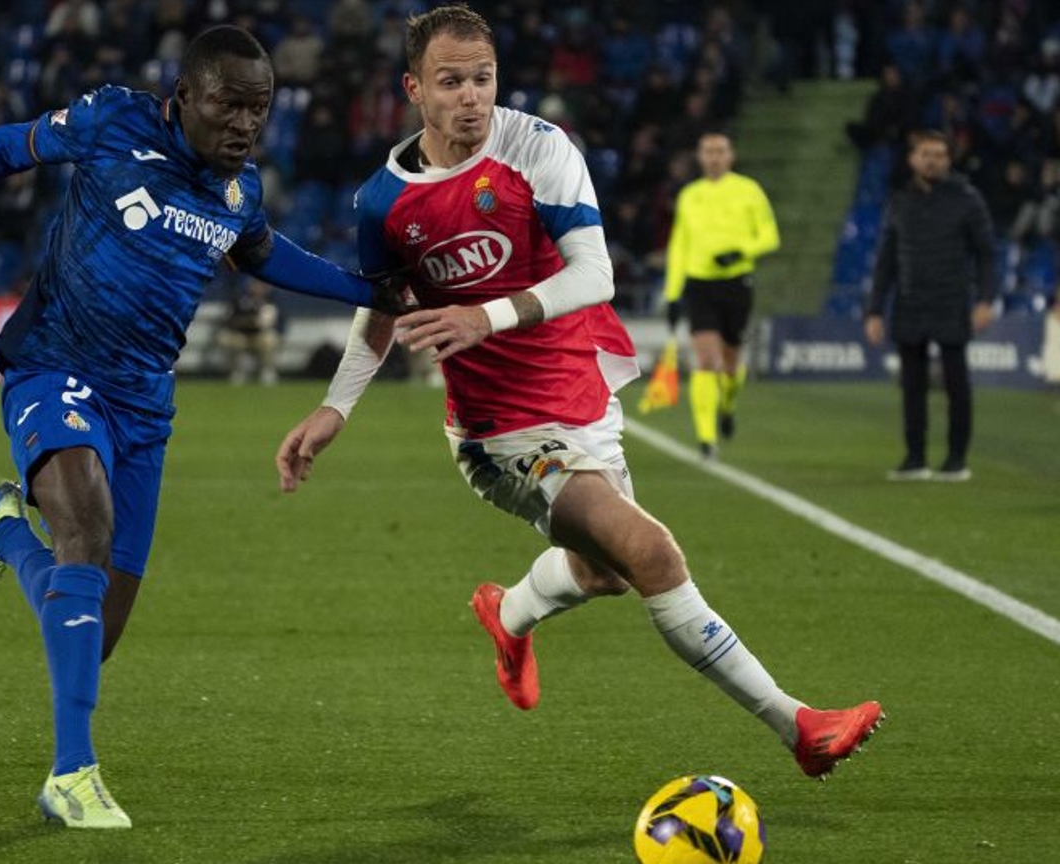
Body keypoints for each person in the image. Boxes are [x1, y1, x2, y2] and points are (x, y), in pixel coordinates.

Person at [0, 26, 407, 829]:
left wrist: (365, 288)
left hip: (143, 406)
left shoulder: (238, 193)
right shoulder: (114, 123)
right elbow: (2, 149)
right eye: (228, 105)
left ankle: (5, 533)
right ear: (184, 99)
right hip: (55, 363)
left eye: (258, 110)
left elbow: (265, 255)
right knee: (85, 530)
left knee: (91, 635)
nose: (243, 124)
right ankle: (71, 774)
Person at [275, 4, 881, 781]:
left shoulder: (538, 147)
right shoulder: (381, 203)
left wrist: (480, 316)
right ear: (413, 90)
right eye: (450, 82)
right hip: (498, 435)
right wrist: (335, 407)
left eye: (482, 78)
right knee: (651, 552)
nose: (471, 97)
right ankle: (797, 725)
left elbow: (594, 274)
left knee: (604, 573)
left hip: (581, 394)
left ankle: (509, 610)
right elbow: (382, 305)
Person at [865, 129, 996, 481]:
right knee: (912, 386)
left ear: (948, 160)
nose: (932, 160)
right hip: (910, 302)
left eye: (939, 154)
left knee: (957, 384)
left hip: (951, 301)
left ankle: (956, 459)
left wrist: (985, 299)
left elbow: (986, 255)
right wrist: (875, 309)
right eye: (925, 154)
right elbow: (886, 260)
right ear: (912, 159)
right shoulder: (900, 202)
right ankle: (915, 457)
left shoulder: (967, 199)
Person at [663, 130, 780, 459]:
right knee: (706, 360)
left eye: (720, 151)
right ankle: (706, 438)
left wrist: (741, 251)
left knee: (730, 363)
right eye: (708, 151)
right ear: (700, 157)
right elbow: (679, 246)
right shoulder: (690, 195)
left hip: (736, 283)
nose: (714, 157)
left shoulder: (749, 190)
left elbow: (770, 235)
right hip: (699, 285)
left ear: (731, 156)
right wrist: (672, 294)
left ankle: (727, 405)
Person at [218, 276, 281, 385]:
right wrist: (249, 321)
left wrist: (246, 321)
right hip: (241, 334)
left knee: (269, 339)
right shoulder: (240, 301)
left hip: (259, 336)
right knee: (225, 338)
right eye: (254, 285)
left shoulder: (269, 303)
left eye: (260, 286)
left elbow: (265, 324)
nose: (257, 288)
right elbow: (230, 320)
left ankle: (266, 370)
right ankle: (237, 371)